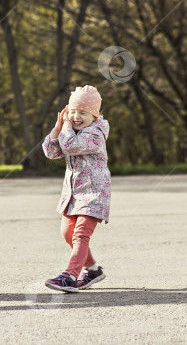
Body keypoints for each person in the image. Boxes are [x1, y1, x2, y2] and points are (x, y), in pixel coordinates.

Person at [41, 85, 110, 293]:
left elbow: (70, 145)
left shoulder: (95, 133)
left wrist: (66, 128)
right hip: (74, 193)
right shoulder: (68, 131)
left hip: (94, 192)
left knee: (80, 235)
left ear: (94, 116)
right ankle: (93, 270)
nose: (76, 117)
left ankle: (70, 276)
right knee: (67, 232)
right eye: (72, 112)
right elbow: (52, 153)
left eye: (83, 113)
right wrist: (56, 129)